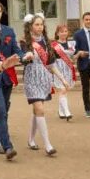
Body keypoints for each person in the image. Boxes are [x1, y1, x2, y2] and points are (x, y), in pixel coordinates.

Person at [0, 0, 23, 160]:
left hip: (7, 77)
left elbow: (16, 50)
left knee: (3, 111)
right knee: (0, 111)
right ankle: (7, 146)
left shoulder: (9, 31)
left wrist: (24, 57)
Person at [22, 14, 58, 156]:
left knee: (37, 111)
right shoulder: (25, 42)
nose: (39, 27)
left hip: (44, 78)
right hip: (31, 79)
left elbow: (50, 63)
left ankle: (31, 140)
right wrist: (26, 56)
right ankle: (48, 145)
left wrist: (62, 79)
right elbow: (22, 58)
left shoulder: (46, 42)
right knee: (40, 109)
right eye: (36, 24)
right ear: (30, 26)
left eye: (41, 24)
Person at [51, 24, 77, 121]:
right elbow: (51, 58)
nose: (64, 33)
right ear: (57, 33)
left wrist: (76, 56)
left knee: (64, 90)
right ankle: (67, 112)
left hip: (68, 69)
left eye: (65, 31)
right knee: (62, 90)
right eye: (61, 31)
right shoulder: (53, 45)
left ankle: (61, 111)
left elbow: (72, 57)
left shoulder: (71, 44)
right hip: (58, 68)